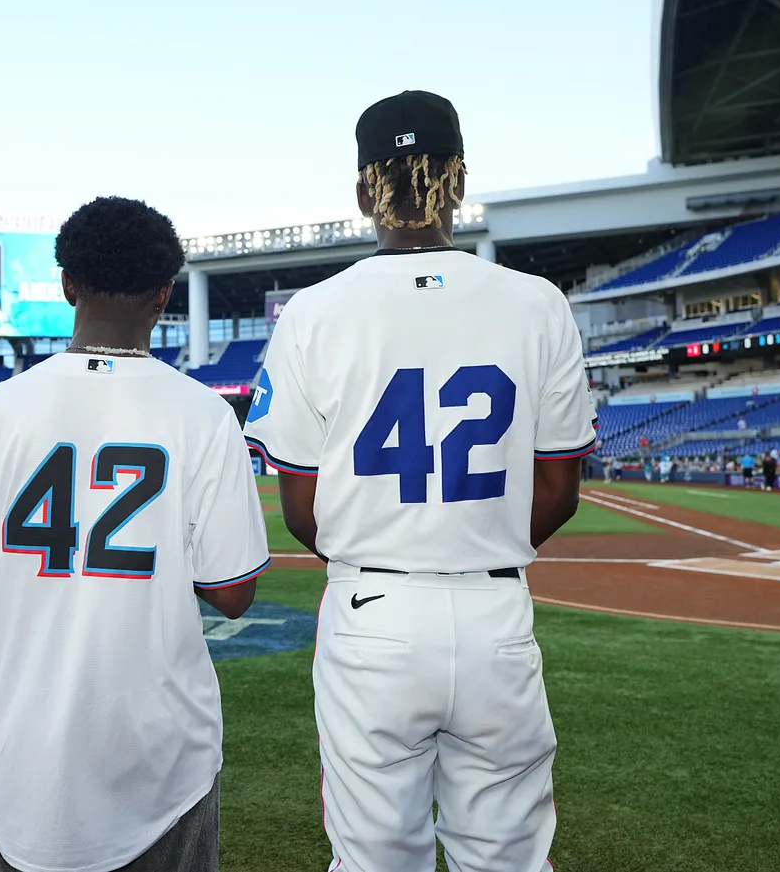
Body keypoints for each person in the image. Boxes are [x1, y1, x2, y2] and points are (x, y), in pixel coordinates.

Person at [244, 90, 594, 872]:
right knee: (507, 859)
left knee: (375, 861)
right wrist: (476, 539)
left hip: (373, 607)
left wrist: (395, 540)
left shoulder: (313, 312)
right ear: (459, 180)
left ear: (364, 190)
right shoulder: (539, 304)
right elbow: (560, 487)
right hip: (495, 603)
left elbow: (301, 506)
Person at [0, 197, 270, 872]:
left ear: (66, 283)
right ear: (166, 294)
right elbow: (233, 592)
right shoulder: (203, 415)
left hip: (30, 758)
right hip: (161, 763)